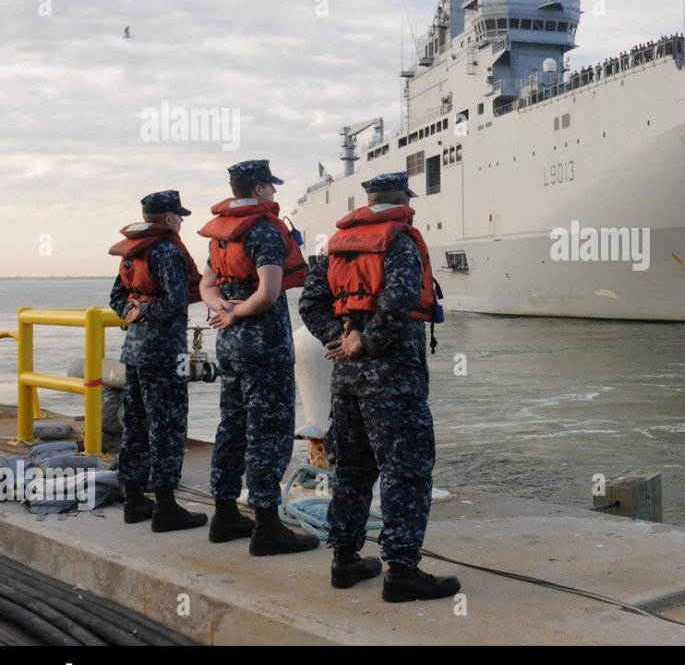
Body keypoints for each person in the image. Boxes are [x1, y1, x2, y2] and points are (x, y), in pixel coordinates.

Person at [298, 172, 459, 601]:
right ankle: (402, 571)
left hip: (346, 381)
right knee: (406, 471)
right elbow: (401, 299)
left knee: (352, 471)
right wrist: (366, 342)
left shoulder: (336, 246)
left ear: (370, 201)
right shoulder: (400, 242)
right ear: (402, 198)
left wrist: (339, 337)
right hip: (393, 380)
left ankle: (345, 560)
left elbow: (309, 302)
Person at [198, 160, 317, 555]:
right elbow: (268, 293)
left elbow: (206, 284)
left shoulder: (222, 233)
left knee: (232, 426)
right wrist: (237, 311)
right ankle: (267, 526)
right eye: (273, 187)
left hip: (229, 346)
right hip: (263, 346)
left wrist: (221, 309)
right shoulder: (264, 230)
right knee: (269, 431)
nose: (276, 195)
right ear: (262, 189)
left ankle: (224, 514)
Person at [108, 190, 207, 532]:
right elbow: (178, 303)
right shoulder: (166, 250)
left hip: (133, 351)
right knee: (168, 425)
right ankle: (166, 507)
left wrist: (133, 314)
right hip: (164, 353)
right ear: (168, 219)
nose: (181, 222)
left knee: (136, 423)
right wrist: (147, 311)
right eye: (179, 216)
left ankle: (134, 499)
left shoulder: (133, 252)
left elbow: (116, 297)